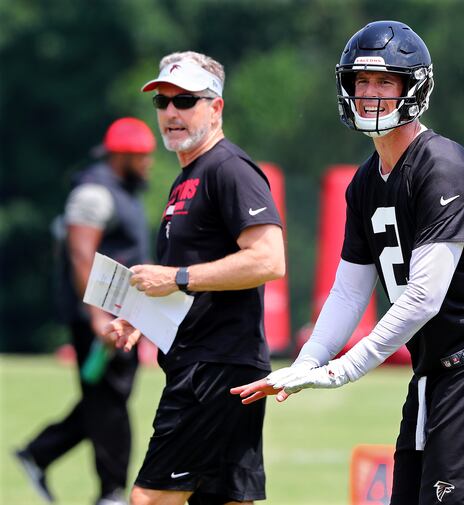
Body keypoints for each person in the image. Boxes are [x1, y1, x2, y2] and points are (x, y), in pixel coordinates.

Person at [231, 20, 464, 505]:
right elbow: (351, 290)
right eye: (361, 81)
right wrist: (308, 361)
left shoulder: (443, 167)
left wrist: (342, 369)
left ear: (413, 88)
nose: (369, 93)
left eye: (384, 82)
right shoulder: (365, 183)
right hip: (434, 371)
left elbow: (423, 296)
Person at [101, 51, 286, 505]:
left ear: (215, 107)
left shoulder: (229, 169)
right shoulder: (187, 177)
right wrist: (138, 315)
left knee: (149, 499)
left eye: (185, 101)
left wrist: (177, 277)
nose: (171, 113)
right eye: (162, 103)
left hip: (214, 367)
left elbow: (268, 260)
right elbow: (188, 281)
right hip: (208, 364)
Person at [15, 117, 156, 505]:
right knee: (108, 404)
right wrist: (97, 315)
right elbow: (80, 254)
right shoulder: (94, 193)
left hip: (118, 316)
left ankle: (40, 453)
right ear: (119, 156)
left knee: (106, 400)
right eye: (141, 157)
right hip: (99, 319)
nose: (148, 164)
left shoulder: (122, 190)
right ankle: (110, 493)